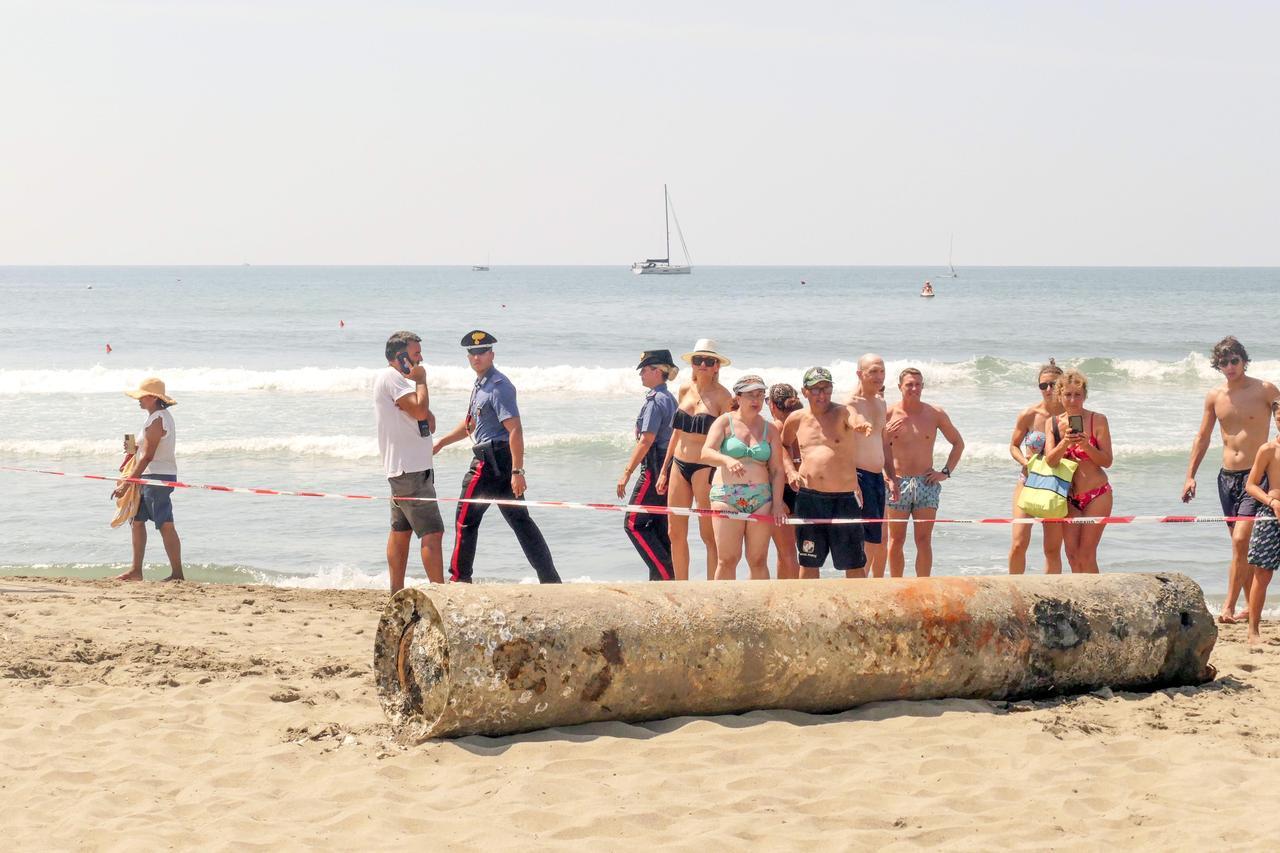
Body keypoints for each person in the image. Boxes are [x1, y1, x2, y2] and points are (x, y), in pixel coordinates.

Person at [433, 330, 561, 584]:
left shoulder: (499, 386)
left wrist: (518, 471)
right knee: (521, 522)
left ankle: (460, 579)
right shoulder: (480, 385)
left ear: (491, 354)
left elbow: (515, 429)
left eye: (481, 352)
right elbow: (470, 426)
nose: (476, 357)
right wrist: (441, 443)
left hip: (491, 463)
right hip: (496, 460)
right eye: (472, 353)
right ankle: (550, 580)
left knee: (465, 519)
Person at [1182, 336, 1280, 623]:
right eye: (1223, 362)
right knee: (1242, 548)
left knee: (1240, 542)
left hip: (1256, 477)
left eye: (1234, 360)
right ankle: (1251, 609)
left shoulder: (1265, 390)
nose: (1229, 366)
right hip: (1226, 479)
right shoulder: (1215, 396)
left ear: (1244, 361)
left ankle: (1227, 606)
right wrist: (1190, 476)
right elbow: (1202, 437)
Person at [781, 367, 874, 578]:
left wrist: (861, 425)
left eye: (826, 388)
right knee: (808, 561)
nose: (822, 395)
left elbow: (854, 418)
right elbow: (783, 445)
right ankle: (808, 609)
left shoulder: (842, 412)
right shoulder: (796, 418)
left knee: (853, 563)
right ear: (805, 392)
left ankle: (856, 609)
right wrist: (790, 471)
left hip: (843, 499)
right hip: (809, 498)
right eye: (816, 390)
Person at [656, 339, 733, 580]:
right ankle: (681, 585)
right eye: (698, 360)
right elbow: (676, 433)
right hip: (679, 463)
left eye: (709, 361)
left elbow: (728, 441)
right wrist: (665, 469)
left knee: (708, 534)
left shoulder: (723, 398)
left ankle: (711, 587)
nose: (702, 365)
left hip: (705, 467)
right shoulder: (684, 389)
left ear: (716, 366)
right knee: (674, 532)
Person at [373, 331, 443, 592]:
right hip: (411, 471)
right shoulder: (393, 378)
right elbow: (421, 411)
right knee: (432, 533)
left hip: (405, 470)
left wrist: (421, 408)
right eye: (416, 355)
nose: (421, 360)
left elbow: (426, 418)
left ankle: (396, 591)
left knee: (401, 532)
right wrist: (422, 381)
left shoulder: (395, 382)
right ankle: (439, 593)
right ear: (400, 357)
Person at [701, 375, 789, 580]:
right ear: (738, 397)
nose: (756, 400)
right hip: (727, 496)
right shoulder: (725, 422)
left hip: (761, 497)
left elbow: (777, 470)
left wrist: (777, 504)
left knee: (758, 559)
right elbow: (705, 453)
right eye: (751, 395)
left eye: (760, 395)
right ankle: (723, 608)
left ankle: (760, 608)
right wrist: (727, 460)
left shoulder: (770, 428)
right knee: (728, 559)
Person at [884, 368, 964, 577]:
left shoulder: (934, 413)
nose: (914, 388)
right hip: (897, 482)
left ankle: (923, 585)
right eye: (909, 384)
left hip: (926, 482)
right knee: (896, 539)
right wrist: (885, 474)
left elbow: (958, 443)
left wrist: (945, 472)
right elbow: (872, 446)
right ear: (900, 386)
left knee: (923, 539)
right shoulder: (889, 413)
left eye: (918, 384)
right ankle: (896, 585)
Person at [112, 377, 183, 582]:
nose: (139, 400)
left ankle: (177, 574)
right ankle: (136, 571)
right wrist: (131, 450)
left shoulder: (158, 418)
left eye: (142, 396)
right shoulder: (154, 417)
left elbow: (149, 456)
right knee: (137, 521)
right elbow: (145, 452)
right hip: (148, 474)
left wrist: (127, 483)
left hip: (156, 476)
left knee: (165, 523)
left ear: (153, 397)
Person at [618, 349, 679, 581]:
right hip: (666, 467)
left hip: (654, 468)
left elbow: (646, 441)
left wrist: (626, 473)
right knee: (657, 524)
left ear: (657, 371)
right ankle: (662, 578)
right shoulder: (670, 398)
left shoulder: (656, 401)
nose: (641, 374)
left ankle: (664, 575)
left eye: (644, 369)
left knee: (633, 523)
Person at [1043, 369, 1113, 574]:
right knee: (1072, 555)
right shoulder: (1053, 423)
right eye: (1068, 394)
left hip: (1097, 493)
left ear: (1084, 396)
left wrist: (1086, 445)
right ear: (1060, 395)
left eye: (1078, 395)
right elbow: (1051, 461)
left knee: (1087, 554)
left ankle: (1097, 600)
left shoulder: (1097, 420)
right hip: (1068, 497)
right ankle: (1082, 603)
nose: (1073, 400)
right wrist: (1065, 441)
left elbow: (1107, 461)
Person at [1007, 360, 1066, 574]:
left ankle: (1052, 595)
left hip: (1056, 485)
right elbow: (1013, 446)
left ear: (1061, 385)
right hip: (1028, 481)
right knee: (1018, 542)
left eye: (1053, 384)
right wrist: (1026, 462)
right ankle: (1013, 590)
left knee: (1052, 549)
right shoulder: (1029, 414)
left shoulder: (1070, 415)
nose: (1048, 389)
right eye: (1043, 385)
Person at [846, 354, 897, 578]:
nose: (879, 376)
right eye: (873, 371)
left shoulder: (880, 401)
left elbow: (884, 443)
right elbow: (850, 426)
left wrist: (891, 476)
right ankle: (856, 584)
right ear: (860, 374)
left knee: (877, 537)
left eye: (882, 371)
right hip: (859, 476)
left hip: (878, 477)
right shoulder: (849, 404)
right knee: (860, 536)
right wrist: (860, 423)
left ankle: (863, 582)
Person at [1243, 402, 1280, 644]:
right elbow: (1251, 484)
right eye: (1279, 417)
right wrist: (1271, 501)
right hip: (1271, 515)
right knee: (1262, 573)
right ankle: (1253, 629)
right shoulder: (1268, 450)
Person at [767, 383, 803, 579]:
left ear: (772, 405)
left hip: (783, 491)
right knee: (804, 553)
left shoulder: (775, 426)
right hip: (804, 490)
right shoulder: (804, 423)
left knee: (786, 552)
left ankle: (790, 598)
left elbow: (776, 460)